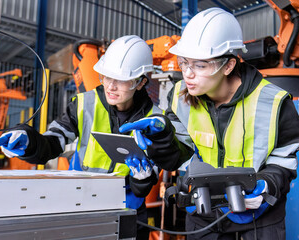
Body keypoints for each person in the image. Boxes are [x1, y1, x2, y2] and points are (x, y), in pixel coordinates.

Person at [119, 8, 299, 240]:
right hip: (203, 215)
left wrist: (265, 185)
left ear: (228, 66)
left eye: (200, 65)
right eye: (184, 63)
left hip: (260, 220)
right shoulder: (180, 97)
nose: (188, 74)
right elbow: (179, 157)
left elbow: (284, 160)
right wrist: (162, 137)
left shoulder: (273, 102)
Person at [0, 35, 161, 240]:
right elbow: (52, 143)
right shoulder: (85, 104)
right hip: (82, 203)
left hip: (128, 213)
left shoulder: (156, 120)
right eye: (106, 76)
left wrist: (142, 179)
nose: (111, 86)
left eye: (121, 79)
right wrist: (28, 141)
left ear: (140, 82)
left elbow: (148, 180)